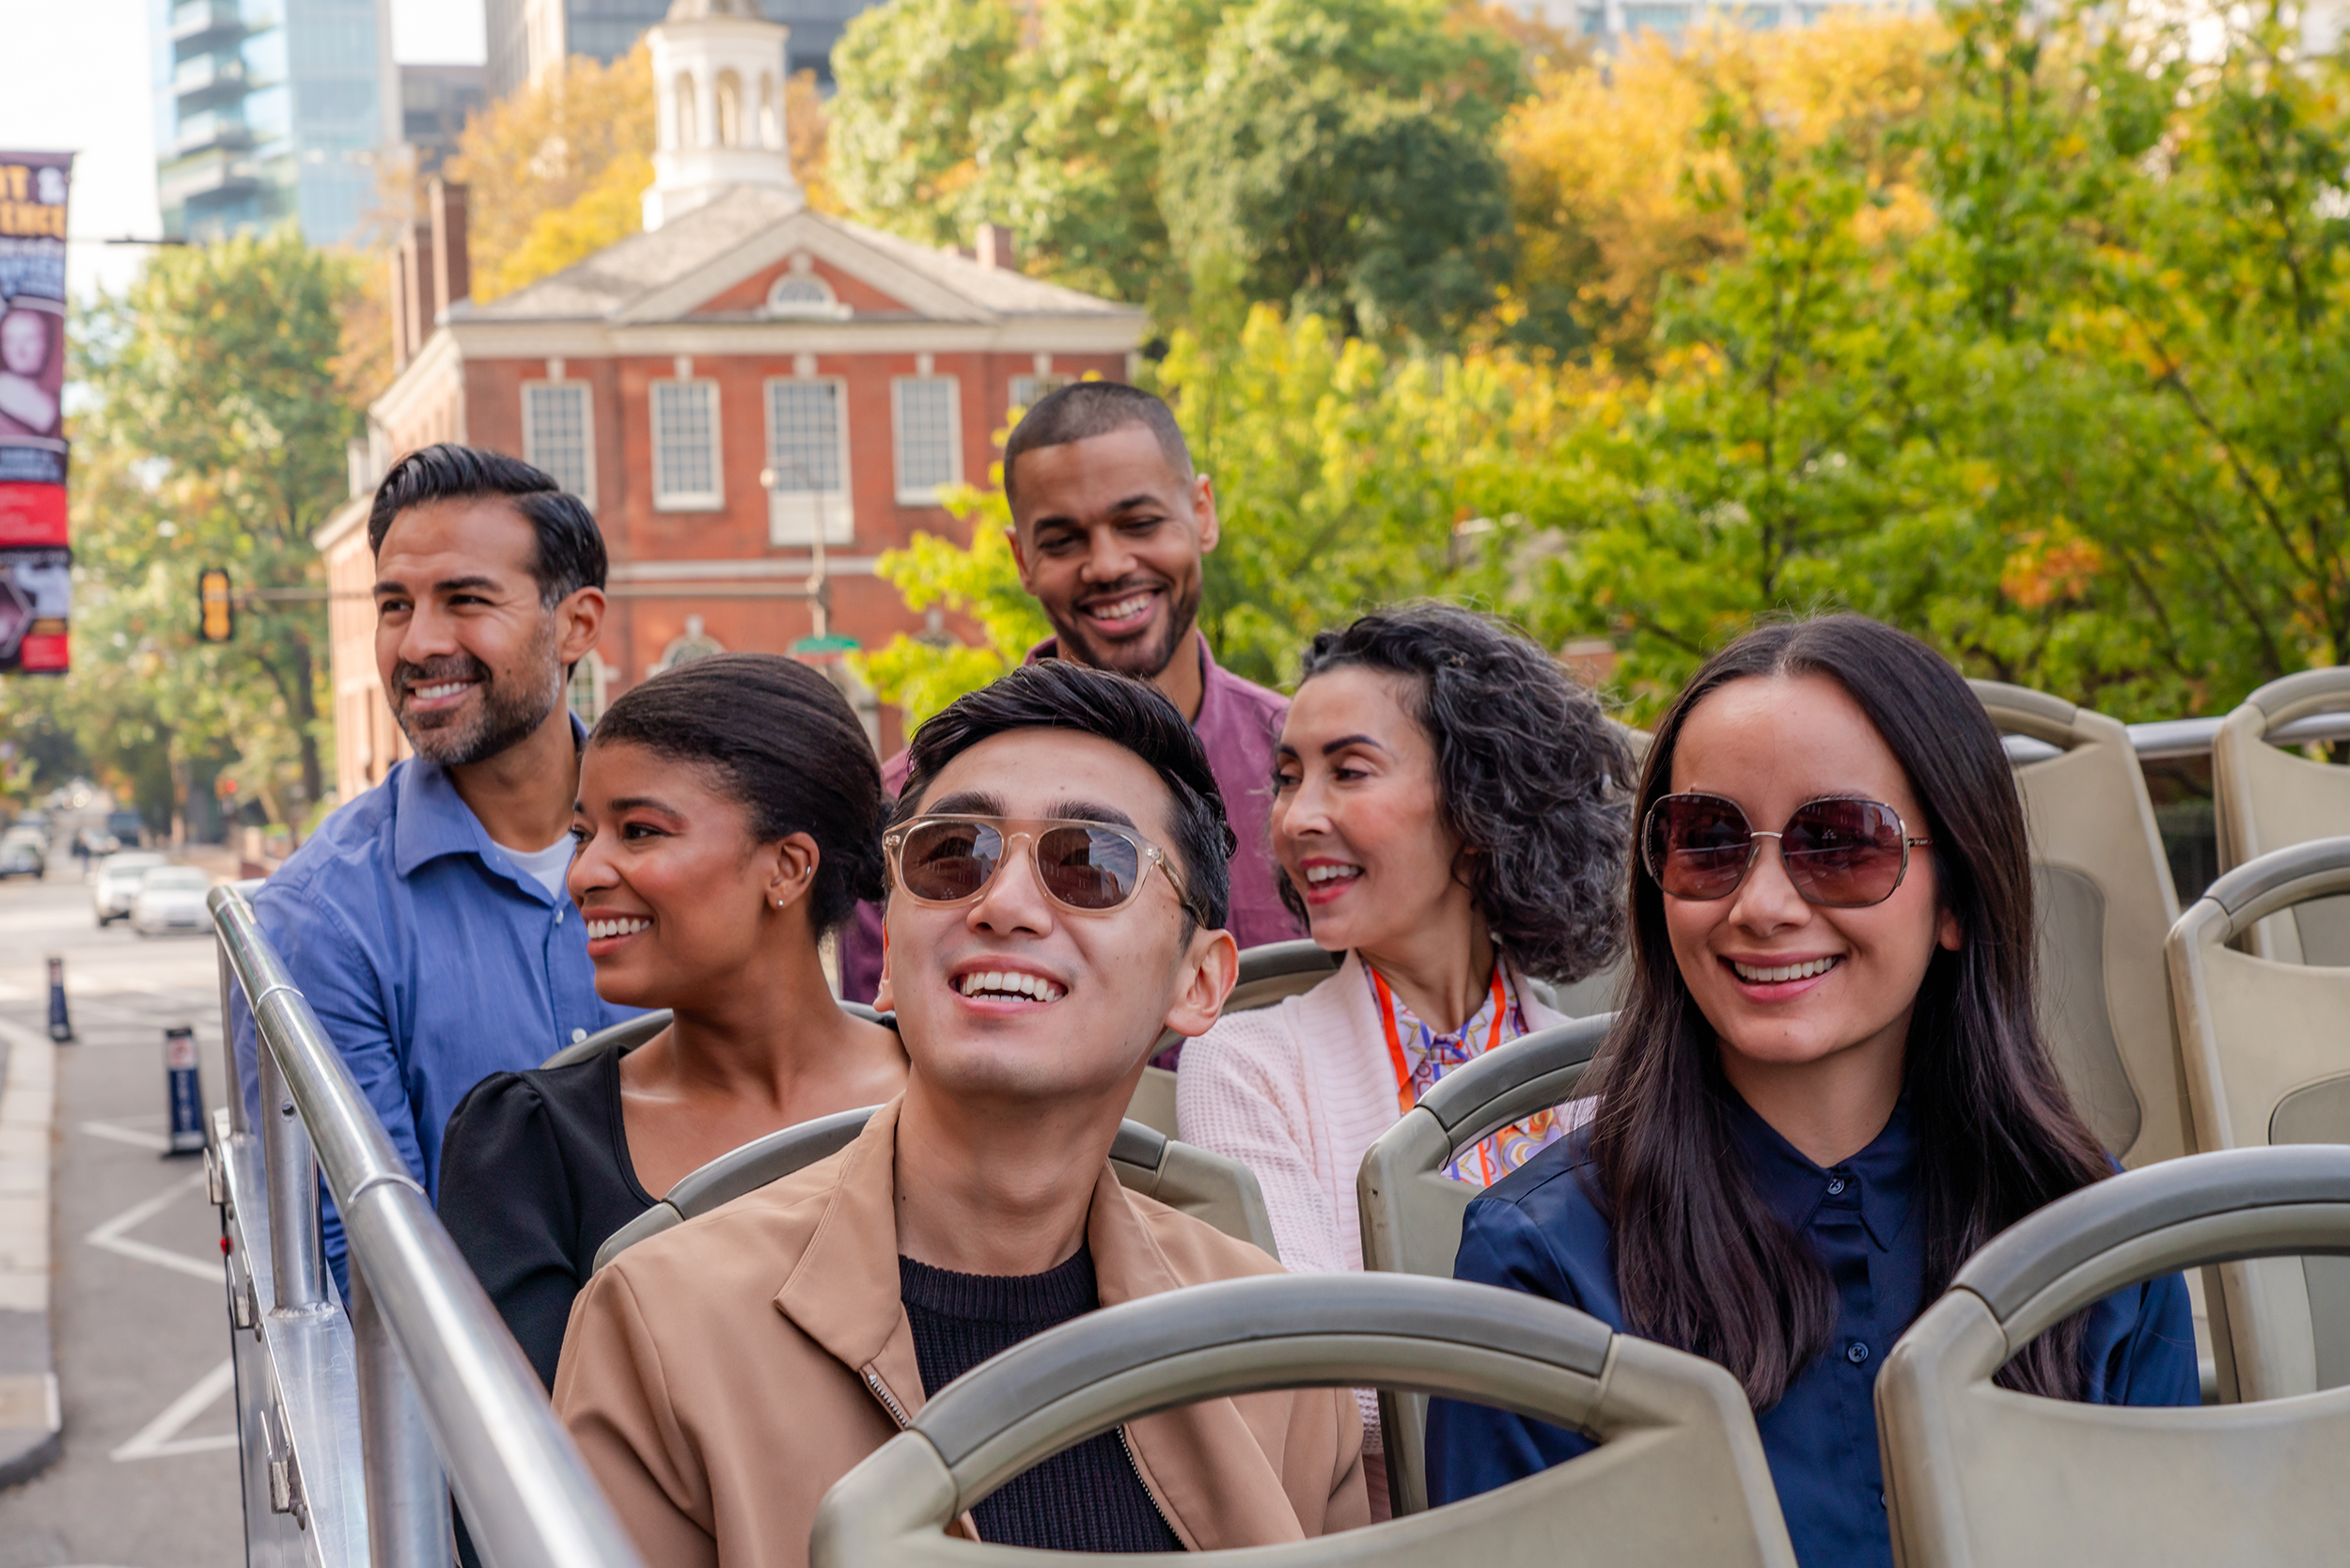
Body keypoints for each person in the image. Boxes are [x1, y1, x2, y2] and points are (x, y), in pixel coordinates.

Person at [1424, 615, 2197, 1567]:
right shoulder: (1540, 1266)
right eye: (1706, 841)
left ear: (1954, 894)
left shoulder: (2098, 1245)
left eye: (1839, 843)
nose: (1762, 905)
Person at [556, 663, 1368, 1568]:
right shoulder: (663, 1326)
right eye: (952, 857)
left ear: (1200, 979)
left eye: (1089, 866)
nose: (1004, 905)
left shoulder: (1276, 1347)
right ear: (890, 961)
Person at [1175, 604, 1630, 1512]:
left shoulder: (1606, 1077)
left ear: (1478, 802)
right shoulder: (1245, 1062)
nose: (1299, 818)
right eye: (1289, 778)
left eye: (1350, 772)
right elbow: (1325, 1374)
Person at [436, 652, 907, 1391]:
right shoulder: (526, 1146)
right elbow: (516, 1466)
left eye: (641, 832)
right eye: (585, 834)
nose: (584, 874)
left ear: (787, 867)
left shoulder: (957, 1092)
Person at [233, 444, 637, 1290]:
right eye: (394, 605)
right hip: (489, 1411)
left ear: (577, 625)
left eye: (465, 600)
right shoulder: (319, 921)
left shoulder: (695, 853)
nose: (419, 643)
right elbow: (372, 1278)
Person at [838, 381, 1300, 1008]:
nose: (1107, 564)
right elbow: (889, 1061)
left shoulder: (1313, 776)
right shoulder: (916, 815)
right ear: (1021, 557)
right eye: (1062, 541)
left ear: (1203, 511)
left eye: (1139, 522)